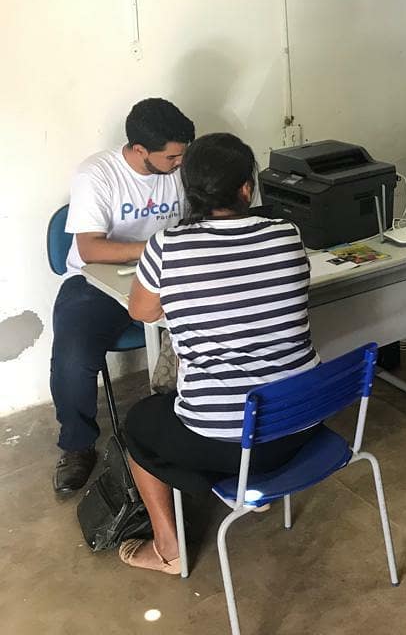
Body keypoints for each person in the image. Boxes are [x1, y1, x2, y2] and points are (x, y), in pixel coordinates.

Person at [119, 133, 321, 574]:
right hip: (303, 425)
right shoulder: (287, 233)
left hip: (231, 443)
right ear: (247, 189)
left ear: (189, 189)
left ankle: (169, 549)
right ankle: (249, 488)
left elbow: (142, 311)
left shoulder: (166, 245)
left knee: (139, 425)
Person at [51, 98, 195, 494]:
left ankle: (193, 425)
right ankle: (77, 445)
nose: (180, 163)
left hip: (166, 276)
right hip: (97, 284)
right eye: (171, 157)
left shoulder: (182, 167)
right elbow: (90, 249)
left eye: (183, 154)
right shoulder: (97, 173)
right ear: (139, 150)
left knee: (217, 322)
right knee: (74, 355)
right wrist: (156, 247)